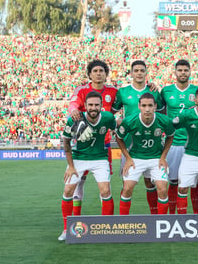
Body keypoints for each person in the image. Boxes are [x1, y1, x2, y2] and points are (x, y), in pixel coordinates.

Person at [58, 91, 116, 241]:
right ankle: (66, 229)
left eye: (97, 105)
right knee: (68, 189)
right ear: (85, 106)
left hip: (99, 158)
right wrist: (70, 166)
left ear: (102, 106)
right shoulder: (75, 119)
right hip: (78, 158)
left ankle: (106, 228)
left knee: (105, 190)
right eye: (90, 105)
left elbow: (118, 129)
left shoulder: (108, 118)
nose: (93, 107)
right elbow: (65, 140)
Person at [112, 60, 164, 214]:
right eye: (136, 70)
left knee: (150, 182)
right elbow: (111, 112)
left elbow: (162, 113)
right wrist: (117, 122)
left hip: (151, 143)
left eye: (142, 70)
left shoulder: (154, 91)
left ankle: (155, 217)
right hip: (129, 143)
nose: (139, 73)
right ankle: (124, 220)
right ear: (131, 73)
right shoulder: (123, 92)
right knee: (127, 183)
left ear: (146, 73)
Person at [68, 60, 117, 216]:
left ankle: (105, 223)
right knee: (78, 183)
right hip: (82, 146)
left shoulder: (113, 91)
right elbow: (73, 104)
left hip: (104, 145)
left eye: (101, 71)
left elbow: (132, 100)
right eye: (95, 71)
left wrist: (151, 87)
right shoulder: (81, 90)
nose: (98, 73)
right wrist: (74, 110)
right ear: (89, 74)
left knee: (105, 186)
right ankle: (74, 221)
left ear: (106, 74)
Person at [116, 93, 175, 215]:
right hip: (136, 158)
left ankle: (161, 222)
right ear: (139, 106)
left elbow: (170, 136)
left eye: (150, 105)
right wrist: (127, 158)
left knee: (163, 189)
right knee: (127, 188)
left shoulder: (164, 120)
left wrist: (163, 157)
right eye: (144, 105)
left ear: (155, 106)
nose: (147, 109)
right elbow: (119, 138)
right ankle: (123, 221)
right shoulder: (129, 121)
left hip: (156, 158)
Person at [160, 60, 198, 214]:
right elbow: (161, 113)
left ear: (190, 72)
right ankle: (172, 216)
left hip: (193, 143)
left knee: (194, 183)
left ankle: (195, 215)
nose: (183, 73)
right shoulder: (166, 91)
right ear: (175, 72)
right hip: (174, 143)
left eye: (185, 70)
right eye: (180, 70)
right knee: (173, 181)